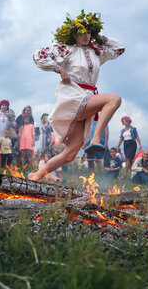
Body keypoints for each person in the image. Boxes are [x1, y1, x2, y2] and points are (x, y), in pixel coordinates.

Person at [28, 11, 124, 181]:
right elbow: (39, 55)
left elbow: (119, 48)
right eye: (82, 33)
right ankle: (95, 139)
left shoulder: (96, 52)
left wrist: (100, 36)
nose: (86, 36)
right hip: (74, 95)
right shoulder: (68, 50)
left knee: (70, 155)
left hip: (89, 96)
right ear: (74, 34)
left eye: (89, 32)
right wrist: (59, 69)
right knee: (114, 99)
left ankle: (35, 176)